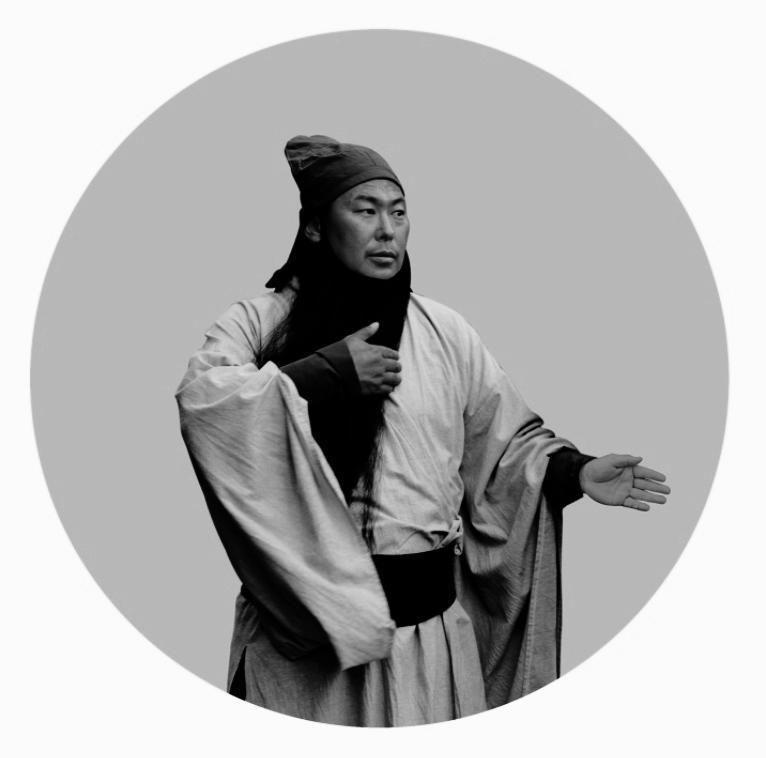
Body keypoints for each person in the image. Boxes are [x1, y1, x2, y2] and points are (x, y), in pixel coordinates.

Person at [176, 135, 670, 727]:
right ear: (314, 227)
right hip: (304, 643)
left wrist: (573, 471)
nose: (387, 230)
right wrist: (321, 375)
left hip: (425, 642)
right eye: (366, 211)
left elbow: (505, 445)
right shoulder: (257, 322)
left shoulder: (444, 331)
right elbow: (206, 400)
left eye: (399, 212)